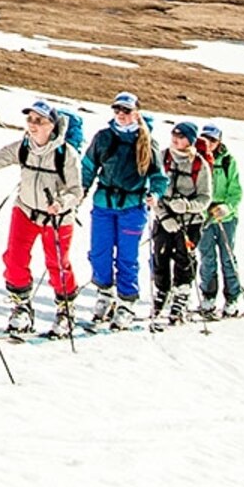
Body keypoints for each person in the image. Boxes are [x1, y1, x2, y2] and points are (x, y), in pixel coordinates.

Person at [0, 100, 87, 337]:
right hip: (25, 210)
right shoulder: (22, 147)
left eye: (38, 121)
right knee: (14, 259)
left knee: (58, 264)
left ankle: (66, 310)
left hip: (57, 219)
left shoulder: (66, 154)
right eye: (30, 119)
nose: (32, 125)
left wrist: (61, 204)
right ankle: (21, 307)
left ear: (51, 125)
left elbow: (76, 191)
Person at [81, 92, 163, 329]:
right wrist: (80, 192)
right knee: (99, 252)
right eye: (117, 110)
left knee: (127, 257)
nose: (121, 115)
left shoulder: (147, 142)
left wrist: (155, 194)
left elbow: (158, 176)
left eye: (126, 111)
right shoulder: (104, 137)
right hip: (104, 204)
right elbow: (88, 167)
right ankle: (105, 293)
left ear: (136, 113)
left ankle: (127, 302)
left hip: (133, 207)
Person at [149, 121, 214, 325]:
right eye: (174, 135)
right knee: (160, 256)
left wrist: (186, 206)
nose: (176, 139)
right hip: (164, 219)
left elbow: (205, 198)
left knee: (184, 259)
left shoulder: (199, 164)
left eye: (181, 136)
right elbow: (151, 191)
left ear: (191, 140)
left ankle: (181, 296)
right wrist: (164, 215)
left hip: (190, 222)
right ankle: (162, 292)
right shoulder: (162, 157)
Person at [197, 124, 244, 320]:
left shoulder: (228, 161)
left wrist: (227, 207)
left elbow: (236, 191)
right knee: (207, 257)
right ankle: (208, 295)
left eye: (212, 140)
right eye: (205, 139)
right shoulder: (197, 158)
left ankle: (232, 297)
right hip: (204, 215)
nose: (208, 144)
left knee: (227, 256)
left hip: (225, 217)